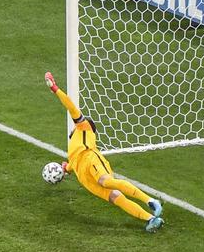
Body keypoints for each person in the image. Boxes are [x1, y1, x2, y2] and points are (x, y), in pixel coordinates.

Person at [44, 72, 164, 232]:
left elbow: (71, 107)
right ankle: (151, 219)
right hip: (87, 180)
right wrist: (65, 168)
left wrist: (55, 89)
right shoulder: (73, 149)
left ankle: (150, 200)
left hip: (91, 159)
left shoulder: (83, 127)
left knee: (105, 181)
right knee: (117, 198)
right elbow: (71, 166)